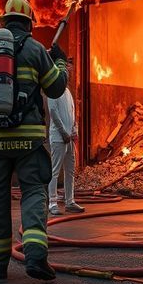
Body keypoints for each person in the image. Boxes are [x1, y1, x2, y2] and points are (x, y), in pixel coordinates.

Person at [0, 0, 69, 281]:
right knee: (34, 192)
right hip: (29, 140)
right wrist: (59, 63)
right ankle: (35, 257)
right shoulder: (36, 50)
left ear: (4, 21)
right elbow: (56, 88)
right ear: (29, 24)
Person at [47, 61, 84, 216]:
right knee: (54, 171)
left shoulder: (67, 92)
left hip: (68, 138)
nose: (67, 75)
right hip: (58, 138)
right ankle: (52, 203)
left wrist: (74, 130)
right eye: (64, 72)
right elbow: (53, 113)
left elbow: (72, 113)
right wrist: (63, 132)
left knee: (70, 171)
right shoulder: (52, 92)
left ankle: (70, 201)